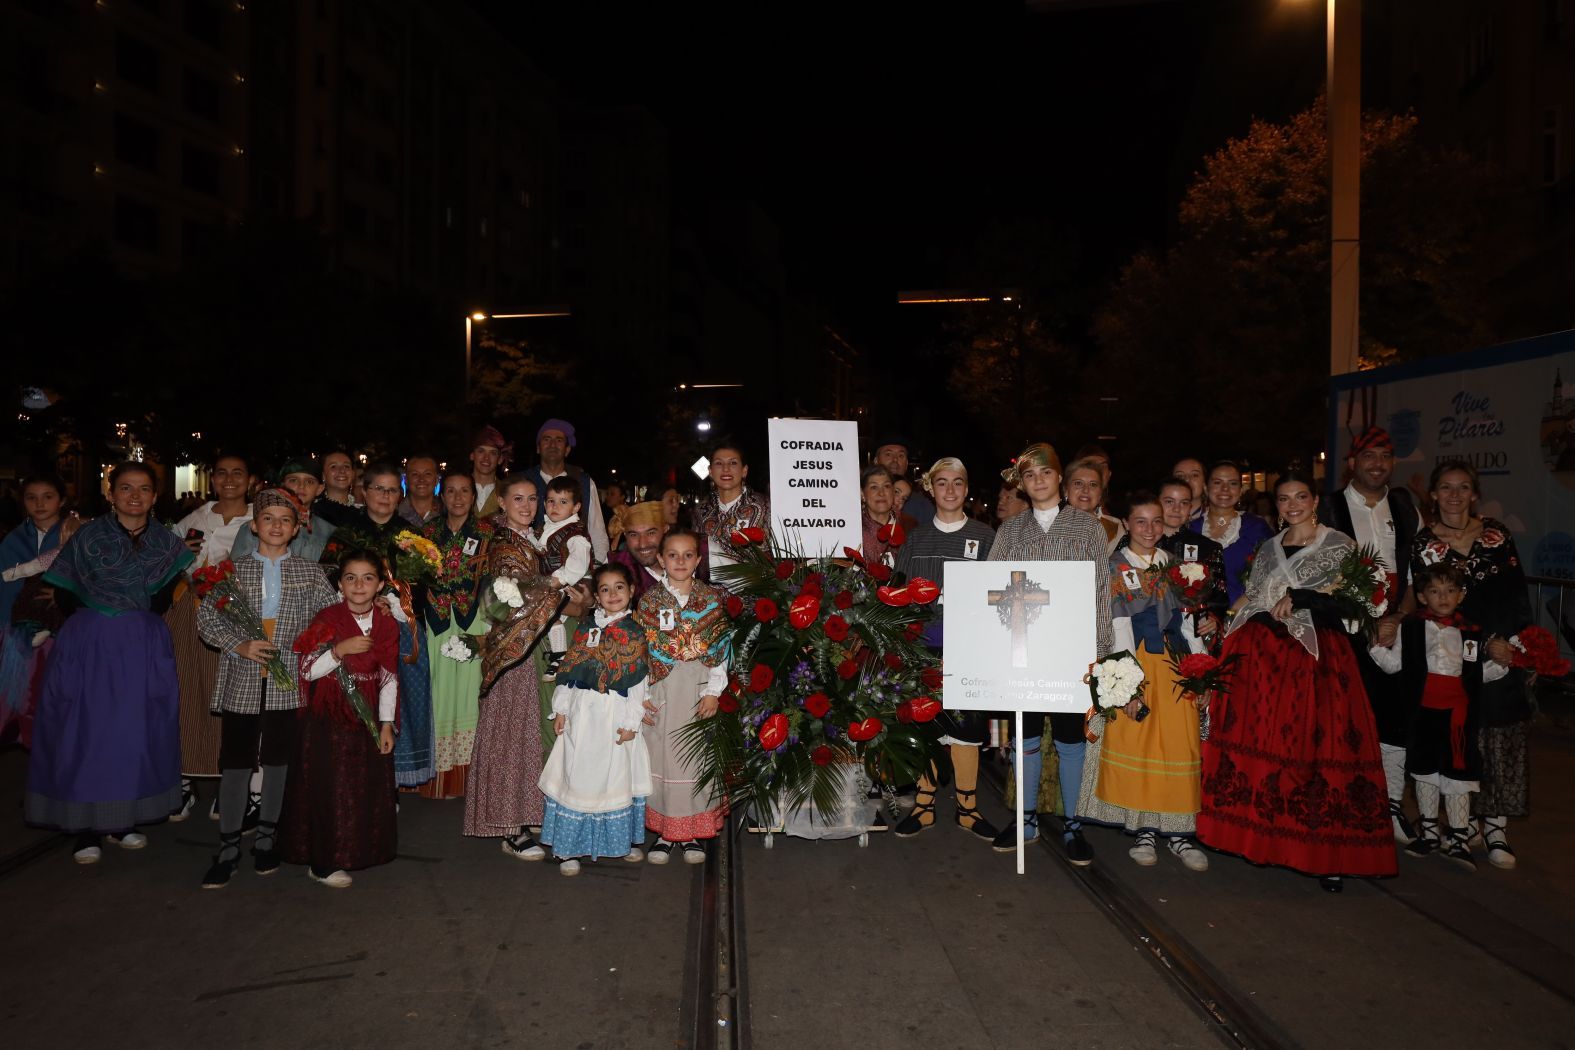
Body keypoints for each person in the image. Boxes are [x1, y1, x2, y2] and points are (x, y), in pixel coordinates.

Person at [1197, 470, 1395, 893]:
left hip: (1317, 663)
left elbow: (1362, 603)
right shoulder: (1267, 547)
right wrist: (1222, 625)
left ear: (1315, 500)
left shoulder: (1341, 545)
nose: (1292, 505)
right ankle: (1262, 840)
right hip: (1264, 661)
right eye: (1284, 499)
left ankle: (1328, 855)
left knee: (1318, 751)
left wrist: (1311, 599)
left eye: (1300, 496)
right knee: (1266, 751)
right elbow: (1253, 596)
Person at [26, 463, 193, 863]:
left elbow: (161, 598)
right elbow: (65, 595)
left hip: (142, 645)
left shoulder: (168, 545)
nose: (134, 496)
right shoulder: (86, 536)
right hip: (90, 643)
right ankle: (85, 830)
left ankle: (124, 820)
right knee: (84, 732)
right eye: (125, 488)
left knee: (134, 733)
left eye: (144, 489)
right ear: (110, 493)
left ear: (155, 496)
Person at [196, 488, 337, 888]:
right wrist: (238, 644)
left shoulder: (311, 573)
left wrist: (309, 642)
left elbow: (328, 620)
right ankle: (227, 845)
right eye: (268, 519)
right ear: (254, 526)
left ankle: (267, 837)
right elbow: (208, 620)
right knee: (237, 762)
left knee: (278, 760)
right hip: (243, 674)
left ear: (295, 530)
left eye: (285, 520)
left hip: (287, 679)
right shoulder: (232, 570)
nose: (276, 526)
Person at [987, 442, 1112, 863]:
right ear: (1022, 484)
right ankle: (1025, 820)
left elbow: (1099, 594)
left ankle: (1073, 824)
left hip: (1070, 653)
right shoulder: (1011, 530)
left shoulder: (1088, 528)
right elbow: (992, 588)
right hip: (1023, 651)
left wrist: (1099, 655)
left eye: (1045, 473)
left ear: (1059, 478)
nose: (1038, 481)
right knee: (1024, 738)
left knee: (1069, 739)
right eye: (1029, 475)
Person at [1408, 460, 1532, 869]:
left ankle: (1495, 827)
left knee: (1497, 734)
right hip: (1450, 657)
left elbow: (1516, 596)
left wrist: (1508, 642)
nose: (1455, 495)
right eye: (1446, 487)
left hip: (1496, 649)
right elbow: (1422, 600)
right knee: (1461, 740)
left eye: (1463, 487)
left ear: (1474, 493)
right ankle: (1463, 824)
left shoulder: (1497, 535)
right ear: (1434, 494)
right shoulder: (1423, 543)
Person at [1077, 490, 1209, 871]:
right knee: (1143, 742)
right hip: (1136, 661)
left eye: (1155, 521)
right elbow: (1116, 626)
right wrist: (1126, 685)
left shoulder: (1174, 564)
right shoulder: (1116, 566)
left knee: (1179, 744)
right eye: (1140, 521)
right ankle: (1145, 829)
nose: (1149, 529)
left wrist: (1200, 672)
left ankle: (1181, 832)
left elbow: (1187, 620)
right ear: (1128, 524)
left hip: (1175, 661)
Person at [1319, 426, 1423, 843]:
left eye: (1385, 455)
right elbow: (1319, 576)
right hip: (1344, 631)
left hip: (1394, 628)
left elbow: (1415, 577)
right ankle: (1346, 804)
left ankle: (1392, 807)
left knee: (1395, 722)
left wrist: (1396, 618)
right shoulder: (1329, 508)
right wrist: (1362, 618)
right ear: (1351, 464)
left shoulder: (1404, 506)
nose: (1378, 464)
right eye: (1369, 456)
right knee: (1345, 722)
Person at [1369, 563, 1508, 871]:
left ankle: (1458, 837)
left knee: (1458, 772)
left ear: (1461, 595)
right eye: (1434, 591)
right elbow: (1394, 665)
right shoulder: (1412, 628)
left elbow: (1475, 674)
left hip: (1457, 715)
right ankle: (1430, 831)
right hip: (1422, 712)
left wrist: (1501, 665)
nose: (1443, 597)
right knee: (1423, 770)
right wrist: (1375, 645)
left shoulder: (1472, 631)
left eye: (1450, 591)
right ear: (1421, 596)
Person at [892, 457, 998, 841]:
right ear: (930, 489)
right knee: (927, 724)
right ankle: (924, 805)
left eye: (957, 483)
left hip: (969, 650)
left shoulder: (986, 536)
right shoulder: (916, 538)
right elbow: (899, 592)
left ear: (966, 489)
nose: (950, 490)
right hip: (924, 650)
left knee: (968, 729)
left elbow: (999, 595)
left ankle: (968, 807)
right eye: (942, 483)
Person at [279, 550, 399, 889]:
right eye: (350, 578)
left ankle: (357, 851)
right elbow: (307, 669)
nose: (359, 585)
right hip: (328, 718)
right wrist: (339, 651)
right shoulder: (327, 618)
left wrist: (386, 723)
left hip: (367, 719)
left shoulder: (387, 623)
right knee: (328, 789)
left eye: (367, 578)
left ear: (379, 585)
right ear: (340, 584)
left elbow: (389, 676)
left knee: (359, 789)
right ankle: (323, 861)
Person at [464, 477, 563, 858]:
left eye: (532, 498)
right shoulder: (505, 543)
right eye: (517, 499)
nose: (527, 505)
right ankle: (510, 826)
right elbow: (504, 600)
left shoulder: (532, 538)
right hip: (512, 649)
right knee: (510, 732)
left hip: (531, 645)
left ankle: (526, 811)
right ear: (501, 503)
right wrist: (558, 589)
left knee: (528, 732)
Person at [322, 462, 436, 790]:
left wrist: (395, 598)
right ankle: (356, 775)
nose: (384, 496)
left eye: (391, 490)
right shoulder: (346, 532)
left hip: (401, 630)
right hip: (355, 628)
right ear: (364, 492)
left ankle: (393, 778)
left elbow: (425, 582)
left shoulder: (411, 535)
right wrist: (369, 600)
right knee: (360, 699)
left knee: (401, 699)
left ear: (399, 496)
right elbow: (330, 575)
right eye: (378, 488)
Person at [538, 562, 653, 875]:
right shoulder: (587, 629)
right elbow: (569, 672)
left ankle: (616, 842)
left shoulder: (635, 633)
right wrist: (561, 709)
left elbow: (639, 683)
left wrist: (632, 723)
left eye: (619, 587)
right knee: (579, 776)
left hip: (615, 714)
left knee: (616, 776)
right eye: (605, 589)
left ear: (631, 591)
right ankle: (568, 849)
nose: (613, 594)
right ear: (596, 596)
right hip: (584, 714)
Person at [636, 528, 731, 864]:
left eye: (688, 554)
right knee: (661, 756)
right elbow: (639, 654)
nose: (680, 561)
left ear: (698, 559)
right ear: (661, 559)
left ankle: (689, 833)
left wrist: (713, 691)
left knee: (694, 757)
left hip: (697, 688)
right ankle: (665, 833)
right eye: (672, 555)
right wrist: (640, 697)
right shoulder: (648, 603)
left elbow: (721, 649)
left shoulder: (711, 600)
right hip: (661, 689)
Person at [171, 453, 255, 821]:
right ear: (212, 479)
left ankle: (228, 783)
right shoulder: (193, 520)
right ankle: (184, 779)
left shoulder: (257, 519)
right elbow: (165, 561)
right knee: (189, 695)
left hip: (238, 616)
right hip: (191, 614)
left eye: (238, 472)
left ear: (250, 479)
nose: (230, 479)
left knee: (231, 697)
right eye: (222, 473)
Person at [418, 470, 492, 800]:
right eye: (451, 491)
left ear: (473, 496)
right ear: (442, 496)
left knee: (469, 692)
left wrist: (493, 623)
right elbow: (415, 580)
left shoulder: (489, 533)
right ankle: (437, 777)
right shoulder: (426, 533)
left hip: (473, 619)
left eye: (465, 491)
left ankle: (469, 779)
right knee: (437, 689)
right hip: (435, 620)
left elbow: (498, 582)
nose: (458, 498)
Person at [0, 476, 75, 748]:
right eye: (31, 497)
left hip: (63, 629)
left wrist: (64, 594)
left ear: (62, 500)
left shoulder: (74, 532)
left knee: (58, 699)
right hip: (18, 631)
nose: (40, 503)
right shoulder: (14, 540)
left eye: (48, 496)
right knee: (22, 698)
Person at [525, 419, 610, 563]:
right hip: (530, 566)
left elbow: (597, 531)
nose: (552, 444)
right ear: (538, 448)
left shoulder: (584, 482)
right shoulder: (523, 482)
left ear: (567, 449)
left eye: (559, 440)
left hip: (576, 569)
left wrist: (600, 571)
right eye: (547, 439)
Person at [1155, 478, 1227, 647]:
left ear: (1190, 508)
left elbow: (1219, 597)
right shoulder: (1138, 542)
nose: (1176, 508)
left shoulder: (1208, 547)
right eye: (1169, 501)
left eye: (1184, 502)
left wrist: (1212, 617)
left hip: (1193, 632)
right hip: (1149, 630)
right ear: (1156, 503)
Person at [534, 475, 595, 671]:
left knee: (550, 614)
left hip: (572, 586)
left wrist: (556, 580)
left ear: (576, 507)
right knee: (547, 617)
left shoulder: (575, 534)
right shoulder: (546, 528)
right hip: (557, 585)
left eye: (563, 502)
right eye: (551, 501)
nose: (555, 506)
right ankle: (557, 655)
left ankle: (559, 657)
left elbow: (577, 564)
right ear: (544, 503)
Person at [230, 459, 337, 562]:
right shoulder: (253, 528)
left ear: (319, 489)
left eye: (309, 481)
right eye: (293, 480)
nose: (301, 486)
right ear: (282, 485)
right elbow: (235, 572)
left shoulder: (328, 532)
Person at [1198, 460, 1273, 605]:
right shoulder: (1190, 528)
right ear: (1206, 488)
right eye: (1217, 482)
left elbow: (1273, 576)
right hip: (1199, 619)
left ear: (1240, 490)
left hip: (1246, 616)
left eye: (1232, 483)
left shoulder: (1257, 527)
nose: (1225, 489)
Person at [691, 441, 770, 571]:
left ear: (744, 470)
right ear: (710, 471)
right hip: (709, 590)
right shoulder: (700, 511)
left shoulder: (766, 506)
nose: (725, 469)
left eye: (733, 463)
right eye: (719, 463)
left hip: (758, 588)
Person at [608, 501, 668, 604]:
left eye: (651, 533)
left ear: (665, 529)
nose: (643, 544)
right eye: (634, 535)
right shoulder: (617, 568)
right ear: (625, 535)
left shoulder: (692, 564)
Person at [859, 465, 916, 569]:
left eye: (886, 486)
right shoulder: (854, 529)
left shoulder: (910, 526)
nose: (881, 493)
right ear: (863, 494)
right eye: (874, 487)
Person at [1064, 456, 1124, 554]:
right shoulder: (1048, 525)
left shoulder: (1114, 527)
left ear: (1100, 494)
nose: (1086, 490)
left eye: (1093, 484)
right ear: (1066, 490)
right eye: (1078, 483)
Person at [874, 436, 934, 523]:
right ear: (876, 461)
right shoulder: (860, 498)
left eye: (901, 455)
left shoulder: (922, 505)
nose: (895, 460)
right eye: (888, 454)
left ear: (906, 464)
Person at [471, 426, 512, 519]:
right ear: (472, 455)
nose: (486, 458)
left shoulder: (507, 492)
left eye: (493, 453)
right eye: (481, 451)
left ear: (500, 459)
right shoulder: (458, 488)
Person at [315, 451, 361, 528]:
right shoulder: (315, 512)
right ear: (323, 475)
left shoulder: (363, 512)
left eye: (346, 466)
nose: (342, 471)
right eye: (333, 466)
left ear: (353, 474)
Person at [398, 455, 441, 527]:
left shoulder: (448, 514)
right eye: (415, 474)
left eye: (427, 474)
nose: (421, 479)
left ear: (436, 480)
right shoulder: (393, 513)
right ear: (406, 480)